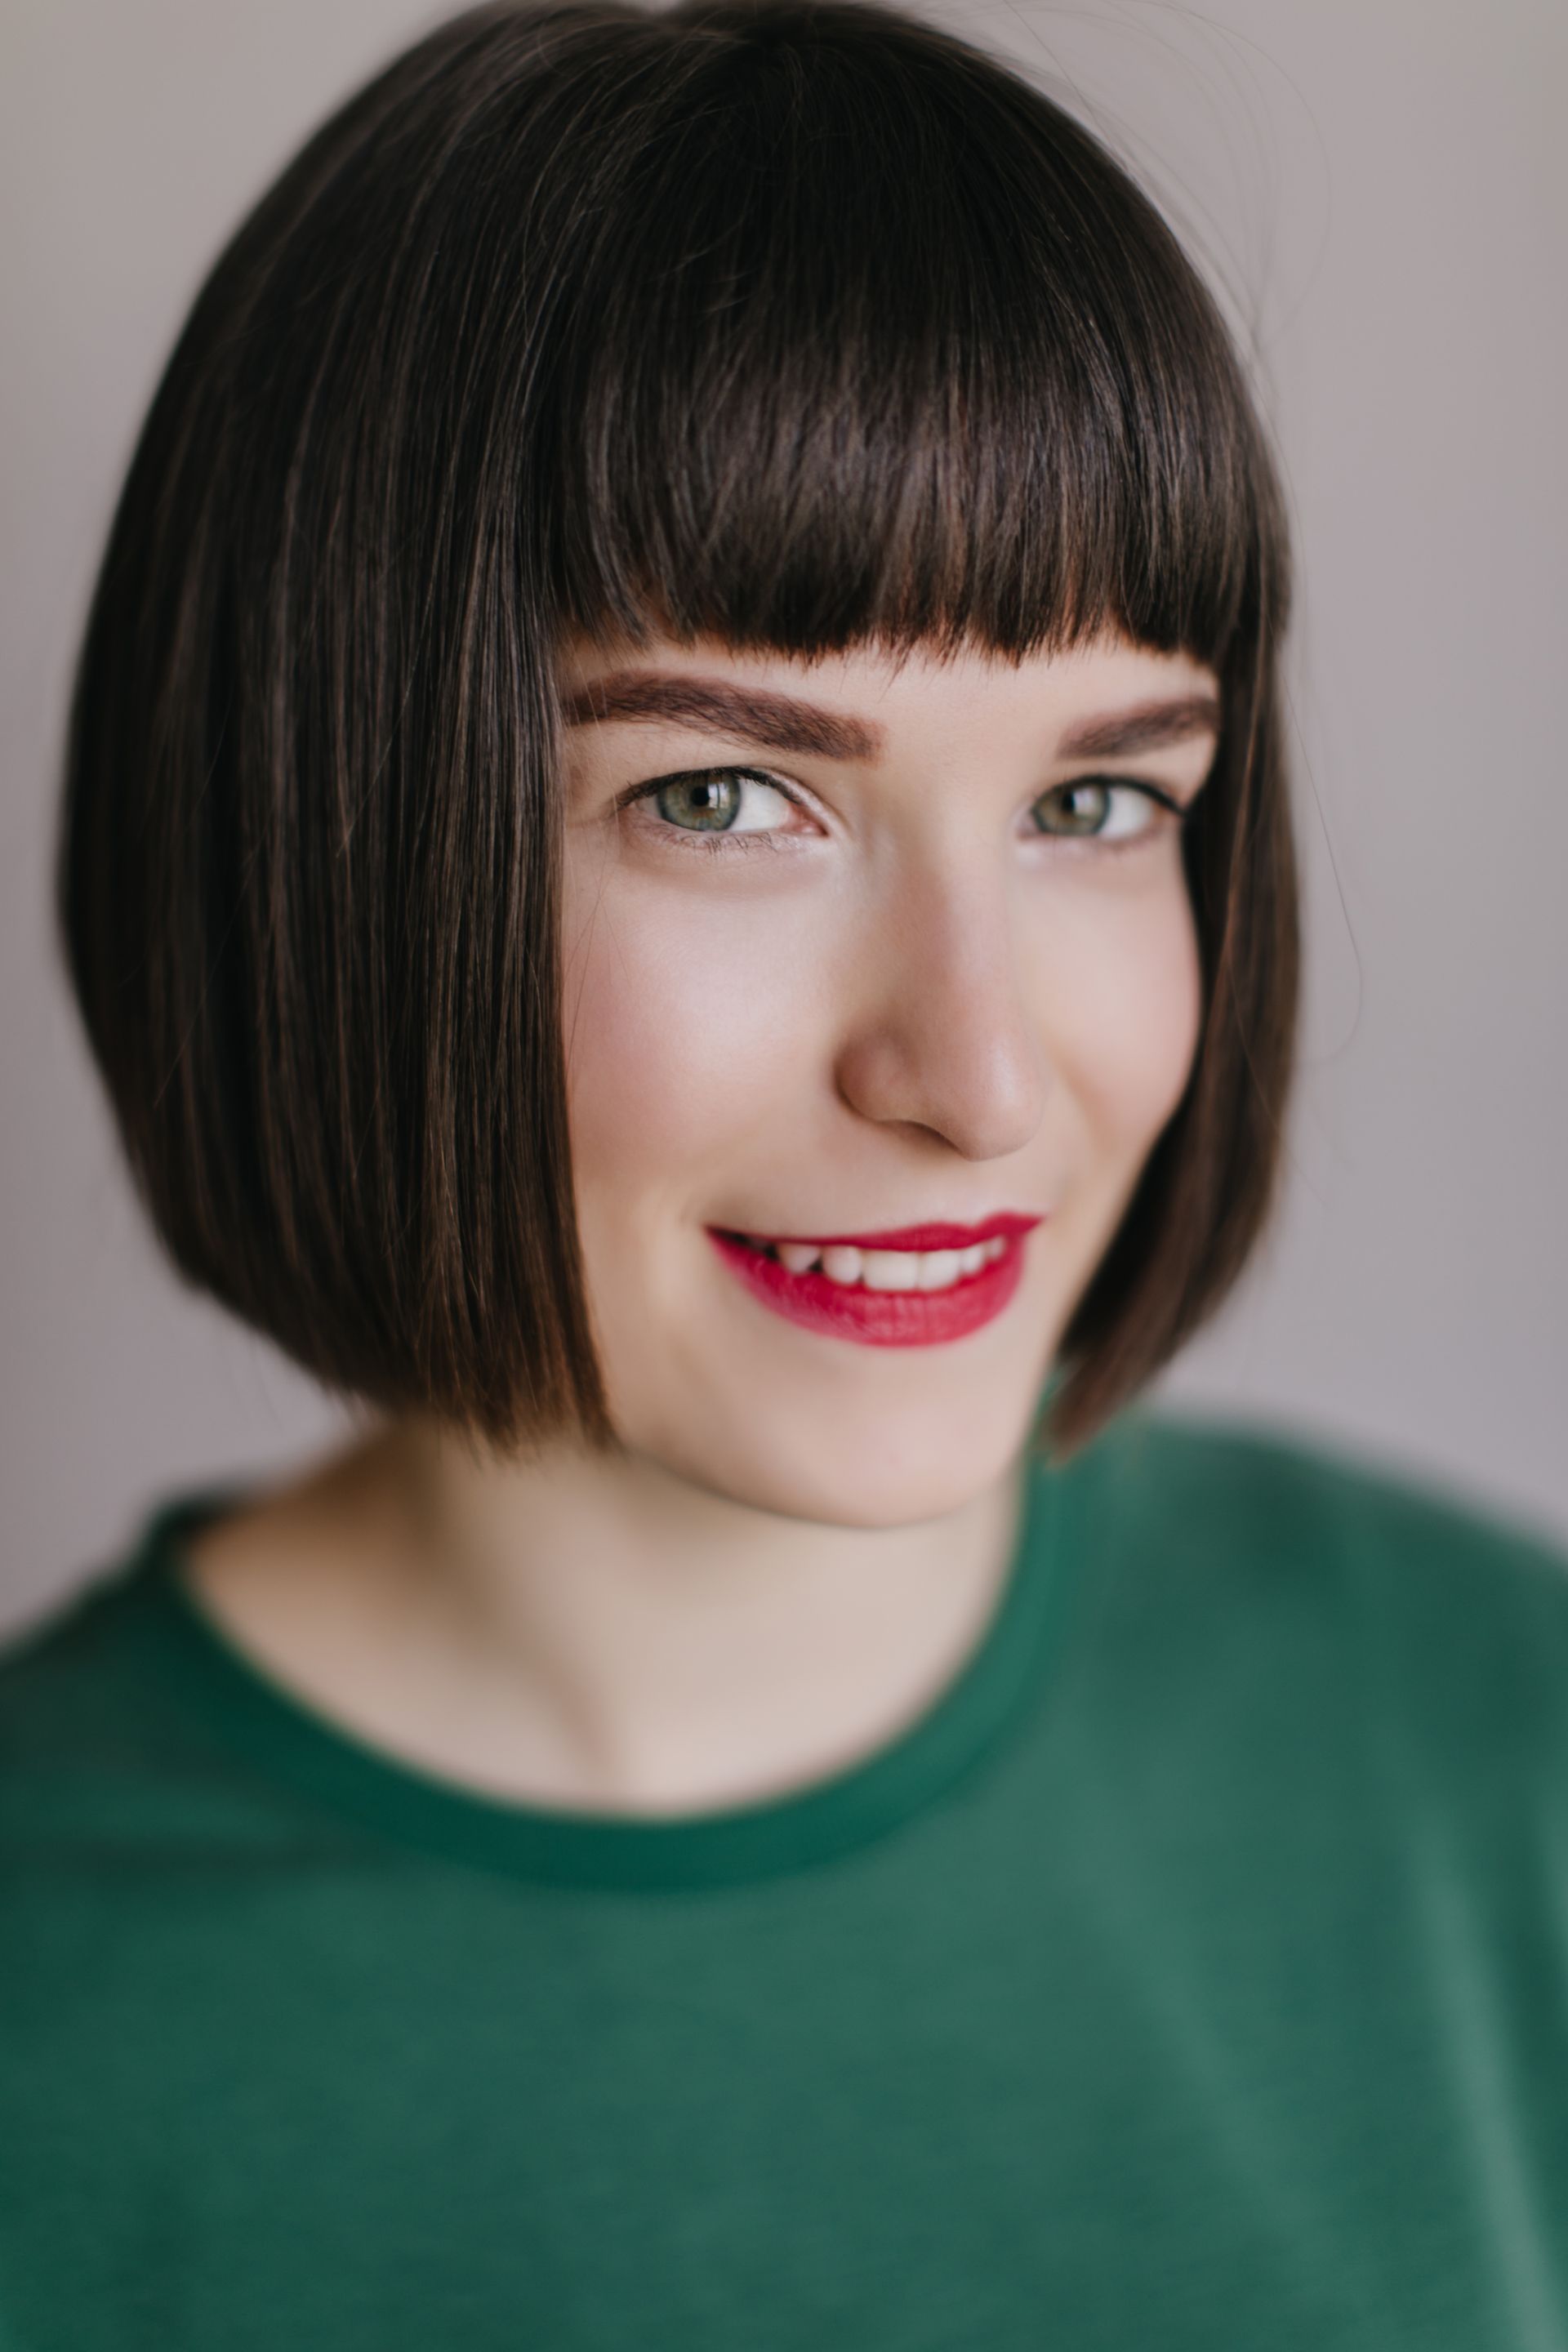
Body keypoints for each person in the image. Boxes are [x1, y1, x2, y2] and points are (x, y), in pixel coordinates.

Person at [2, 0, 1565, 2342]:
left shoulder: (1497, 1743)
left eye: (1098, 799)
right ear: (308, 835)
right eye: (724, 799)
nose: (981, 1074)